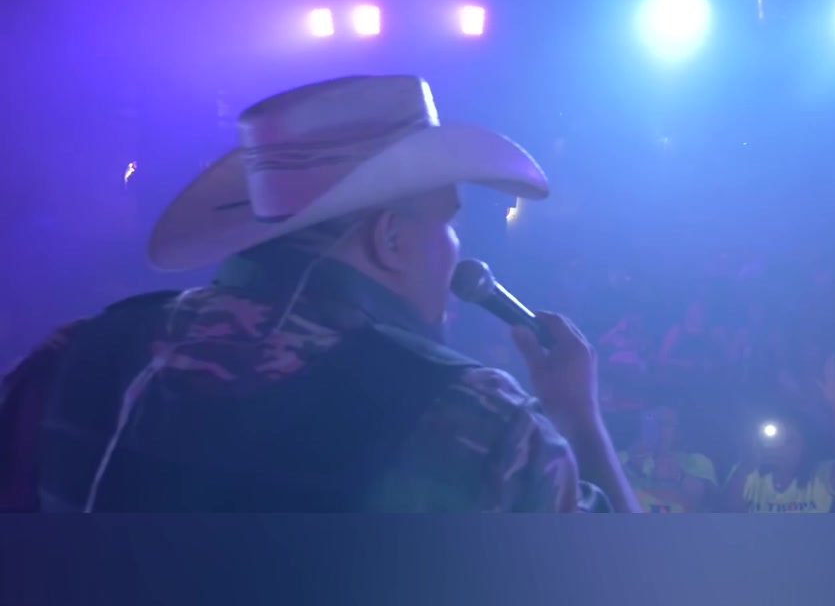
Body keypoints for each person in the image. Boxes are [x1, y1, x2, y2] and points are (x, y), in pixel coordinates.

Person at [0, 75, 640, 513]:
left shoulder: (72, 355)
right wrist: (576, 418)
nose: (457, 253)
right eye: (447, 223)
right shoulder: (484, 424)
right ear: (390, 238)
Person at [722, 357, 835, 513]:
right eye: (778, 439)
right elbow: (730, 513)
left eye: (790, 441)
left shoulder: (819, 477)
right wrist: (747, 468)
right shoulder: (750, 470)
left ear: (805, 447)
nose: (782, 447)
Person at [617, 404, 718, 513]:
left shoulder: (697, 461)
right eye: (653, 424)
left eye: (665, 425)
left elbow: (708, 500)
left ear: (678, 431)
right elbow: (609, 495)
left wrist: (678, 476)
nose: (659, 430)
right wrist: (631, 468)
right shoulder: (618, 458)